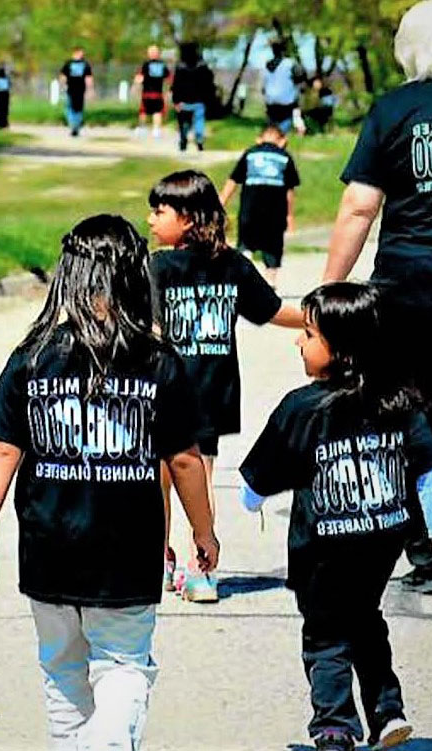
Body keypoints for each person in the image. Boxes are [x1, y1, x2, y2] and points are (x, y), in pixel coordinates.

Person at [0, 214, 219, 749]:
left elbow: (3, 450)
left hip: (48, 546)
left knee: (61, 669)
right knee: (124, 665)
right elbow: (186, 460)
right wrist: (204, 531)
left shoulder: (32, 357)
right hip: (125, 552)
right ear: (136, 278)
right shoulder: (157, 360)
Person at [240, 281, 432, 751]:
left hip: (323, 550)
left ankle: (334, 724)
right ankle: (387, 710)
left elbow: (262, 474)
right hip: (381, 542)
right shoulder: (401, 402)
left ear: (344, 348)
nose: (298, 340)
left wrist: (249, 499)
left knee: (325, 632)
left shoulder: (301, 407)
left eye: (309, 334)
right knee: (365, 619)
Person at [323, 0, 432, 593]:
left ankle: (431, 555)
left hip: (408, 288)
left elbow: (359, 206)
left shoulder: (394, 110)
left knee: (411, 419)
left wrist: (330, 290)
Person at [147, 170, 303, 601]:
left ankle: (182, 563)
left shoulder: (180, 266)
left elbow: (271, 310)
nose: (150, 220)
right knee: (187, 475)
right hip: (194, 390)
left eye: (160, 211)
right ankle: (181, 566)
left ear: (190, 217)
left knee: (170, 474)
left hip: (182, 391)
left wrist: (320, 318)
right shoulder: (181, 264)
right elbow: (273, 312)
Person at [220, 124, 300, 289]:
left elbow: (233, 180)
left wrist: (221, 202)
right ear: (283, 141)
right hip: (275, 213)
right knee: (273, 245)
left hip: (250, 210)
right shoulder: (285, 157)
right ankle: (270, 281)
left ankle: (242, 274)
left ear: (259, 139)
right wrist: (290, 216)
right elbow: (290, 191)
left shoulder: (250, 154)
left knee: (245, 242)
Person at [171, 42, 215, 152]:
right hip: (199, 100)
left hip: (183, 101)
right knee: (199, 121)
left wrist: (176, 101)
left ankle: (183, 140)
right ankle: (199, 139)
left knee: (184, 122)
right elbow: (209, 84)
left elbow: (176, 85)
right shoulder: (203, 67)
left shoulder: (180, 67)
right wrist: (208, 99)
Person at [262, 38, 306, 134]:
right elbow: (300, 78)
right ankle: (281, 136)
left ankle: (272, 138)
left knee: (272, 124)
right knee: (286, 122)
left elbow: (264, 86)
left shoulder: (267, 65)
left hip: (271, 101)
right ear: (284, 50)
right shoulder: (290, 64)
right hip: (286, 102)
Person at [134, 45, 172, 139]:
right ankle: (156, 131)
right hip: (158, 93)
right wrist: (169, 90)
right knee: (157, 112)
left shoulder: (145, 64)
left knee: (143, 111)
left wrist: (135, 87)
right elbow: (169, 79)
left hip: (146, 93)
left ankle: (142, 128)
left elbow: (139, 78)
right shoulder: (163, 65)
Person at [59, 47, 94, 137]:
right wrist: (62, 85)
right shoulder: (68, 63)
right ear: (75, 53)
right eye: (80, 53)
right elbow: (63, 75)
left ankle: (76, 126)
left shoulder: (86, 64)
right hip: (70, 88)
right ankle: (73, 125)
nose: (81, 55)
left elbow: (88, 77)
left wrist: (90, 89)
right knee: (70, 106)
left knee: (79, 108)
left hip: (81, 89)